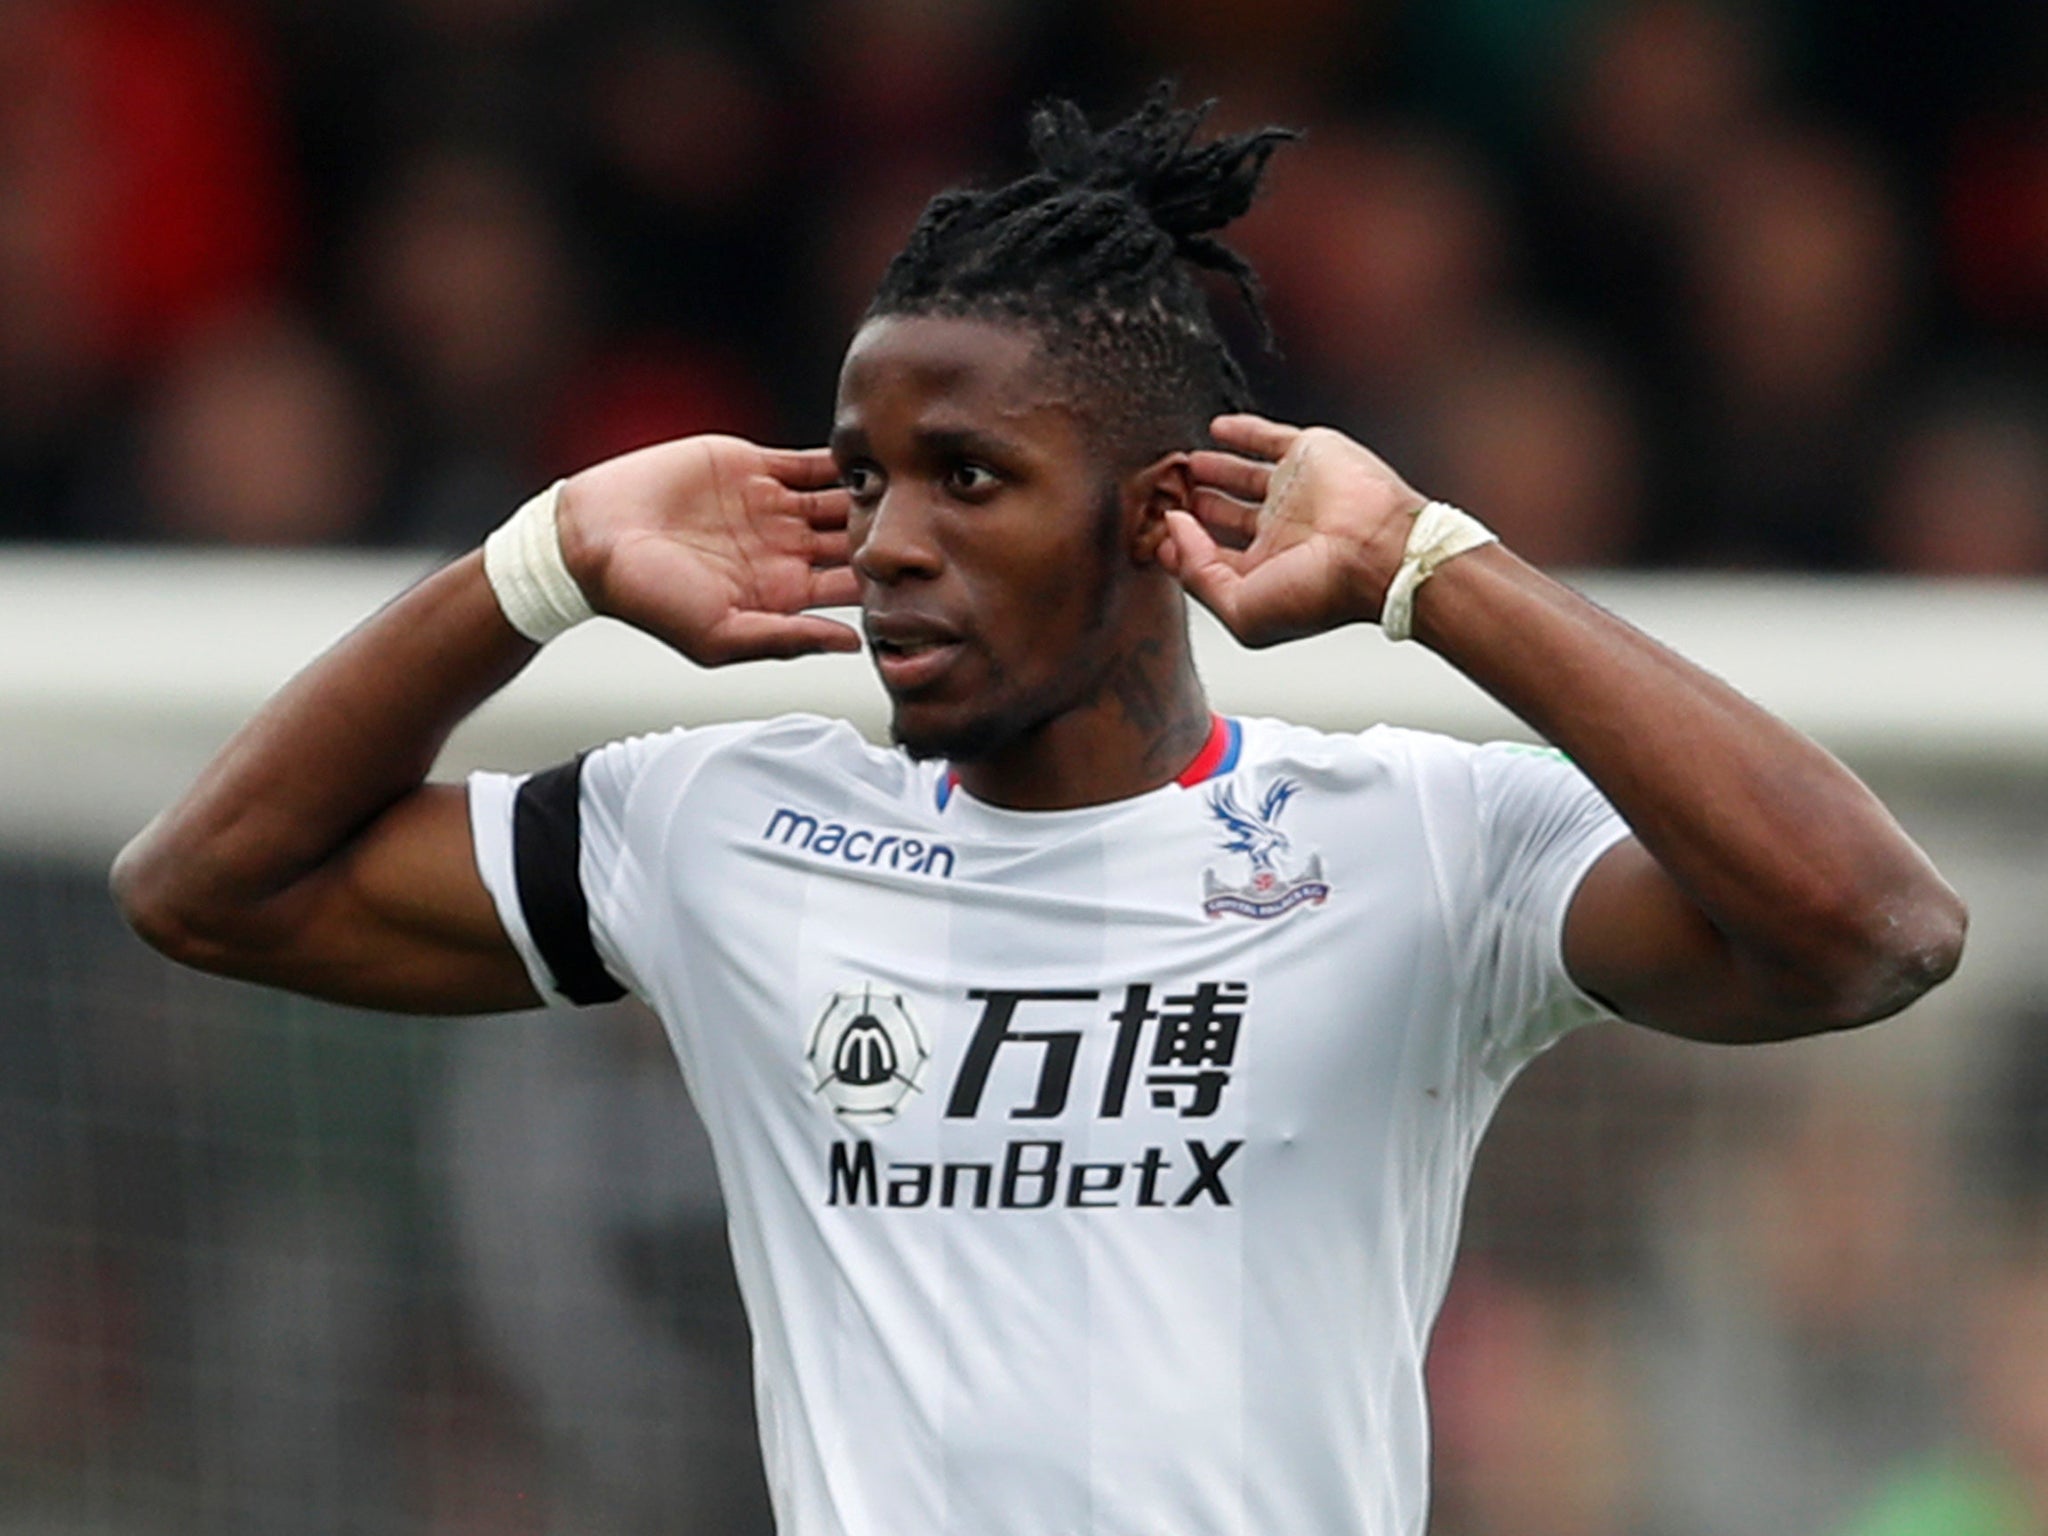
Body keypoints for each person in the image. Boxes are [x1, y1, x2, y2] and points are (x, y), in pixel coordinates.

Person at [112, 88, 1966, 1536]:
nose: (894, 542)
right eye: (863, 477)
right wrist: (537, 570)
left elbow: (1872, 931)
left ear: (1160, 510)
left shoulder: (1421, 842)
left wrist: (1435, 568)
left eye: (971, 477)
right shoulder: (727, 829)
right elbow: (211, 888)